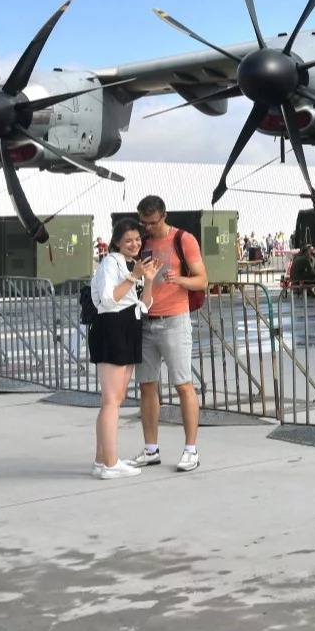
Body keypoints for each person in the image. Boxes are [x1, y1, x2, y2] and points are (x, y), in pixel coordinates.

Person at [132, 196, 207, 473]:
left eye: (151, 222)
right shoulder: (143, 242)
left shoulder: (183, 239)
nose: (147, 227)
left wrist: (180, 280)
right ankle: (151, 448)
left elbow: (202, 279)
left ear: (164, 216)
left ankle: (191, 449)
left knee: (183, 384)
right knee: (147, 385)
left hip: (175, 320)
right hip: (147, 319)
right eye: (144, 222)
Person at [89, 218, 158, 479]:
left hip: (130, 324)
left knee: (115, 399)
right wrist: (134, 276)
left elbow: (144, 305)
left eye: (138, 239)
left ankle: (101, 460)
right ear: (117, 241)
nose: (135, 244)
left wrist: (148, 279)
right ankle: (110, 462)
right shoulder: (110, 262)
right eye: (128, 240)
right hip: (112, 326)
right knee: (111, 400)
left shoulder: (133, 266)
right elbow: (109, 299)